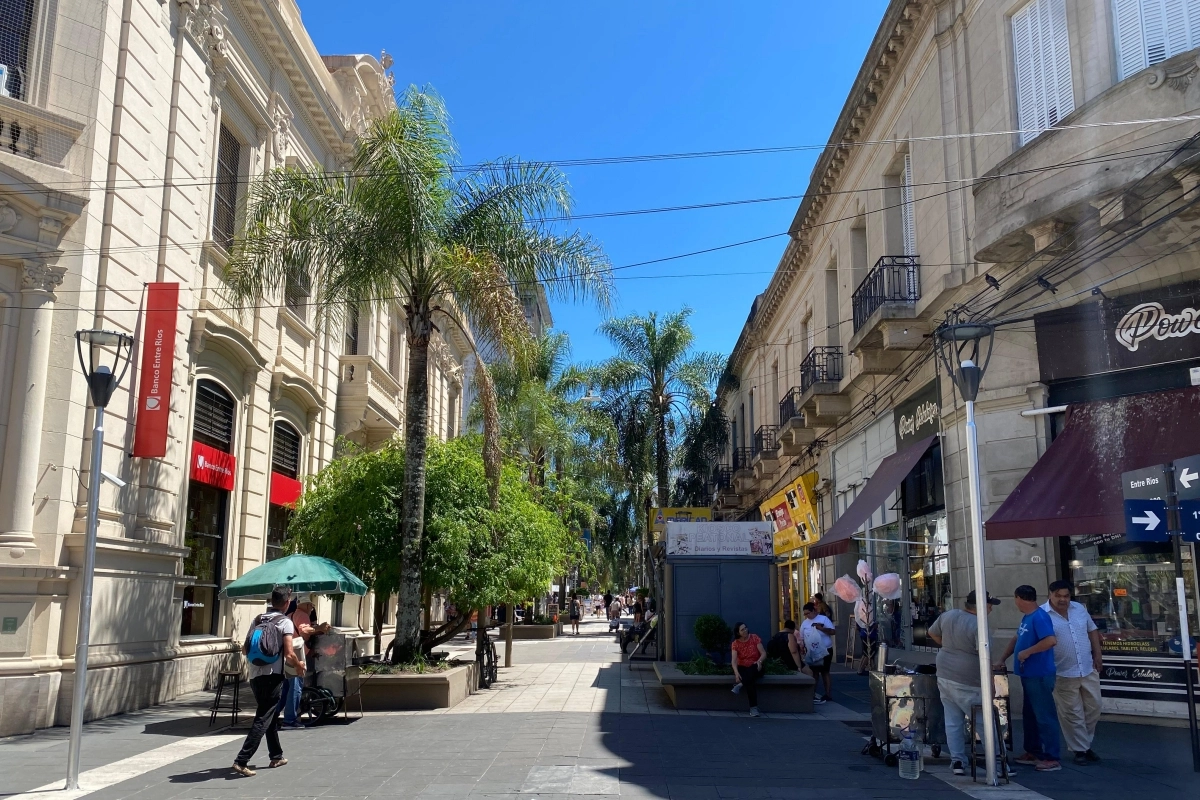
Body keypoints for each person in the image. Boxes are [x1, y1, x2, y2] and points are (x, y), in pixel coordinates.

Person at [233, 585, 304, 777]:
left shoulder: (257, 619)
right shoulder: (285, 622)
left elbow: (245, 650)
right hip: (273, 675)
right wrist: (299, 666)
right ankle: (242, 760)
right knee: (264, 716)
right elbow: (289, 654)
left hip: (255, 674)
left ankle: (276, 756)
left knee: (269, 715)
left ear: (272, 601)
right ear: (287, 602)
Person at [928, 590, 999, 776]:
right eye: (990, 604)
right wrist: (991, 683)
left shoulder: (948, 615)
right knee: (984, 722)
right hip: (969, 678)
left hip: (945, 672)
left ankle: (957, 761)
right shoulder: (979, 625)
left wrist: (949, 647)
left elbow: (932, 632)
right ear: (982, 606)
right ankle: (998, 763)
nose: (991, 608)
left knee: (953, 720)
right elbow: (986, 656)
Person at [997, 585, 1061, 772]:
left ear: (1018, 598)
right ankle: (1033, 751)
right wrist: (1002, 659)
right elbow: (1016, 639)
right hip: (1029, 674)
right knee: (1031, 715)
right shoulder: (1028, 618)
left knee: (1044, 716)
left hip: (1039, 674)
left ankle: (1052, 757)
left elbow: (1050, 640)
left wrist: (1027, 652)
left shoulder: (1040, 617)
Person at [1042, 580, 1103, 766]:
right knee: (1072, 712)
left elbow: (1092, 630)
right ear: (1050, 595)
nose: (1062, 600)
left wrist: (1097, 653)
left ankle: (1084, 743)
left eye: (1066, 596)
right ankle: (1080, 750)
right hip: (1062, 671)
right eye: (1058, 596)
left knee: (1094, 707)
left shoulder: (1079, 608)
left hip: (1086, 667)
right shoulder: (1042, 615)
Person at [799, 602, 836, 704]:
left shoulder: (823, 619)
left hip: (826, 649)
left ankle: (828, 694)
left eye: (808, 613)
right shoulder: (805, 623)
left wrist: (821, 628)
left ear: (814, 611)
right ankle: (813, 693)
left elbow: (833, 632)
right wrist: (802, 647)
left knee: (825, 671)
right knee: (814, 672)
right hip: (812, 651)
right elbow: (801, 637)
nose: (807, 616)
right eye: (805, 614)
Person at [730, 622, 767, 717]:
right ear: (738, 633)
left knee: (751, 672)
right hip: (743, 667)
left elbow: (763, 653)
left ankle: (741, 683)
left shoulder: (754, 638)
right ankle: (753, 709)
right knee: (750, 681)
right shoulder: (735, 643)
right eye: (742, 630)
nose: (745, 630)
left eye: (745, 628)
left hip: (756, 665)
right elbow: (734, 661)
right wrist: (736, 673)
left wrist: (759, 661)